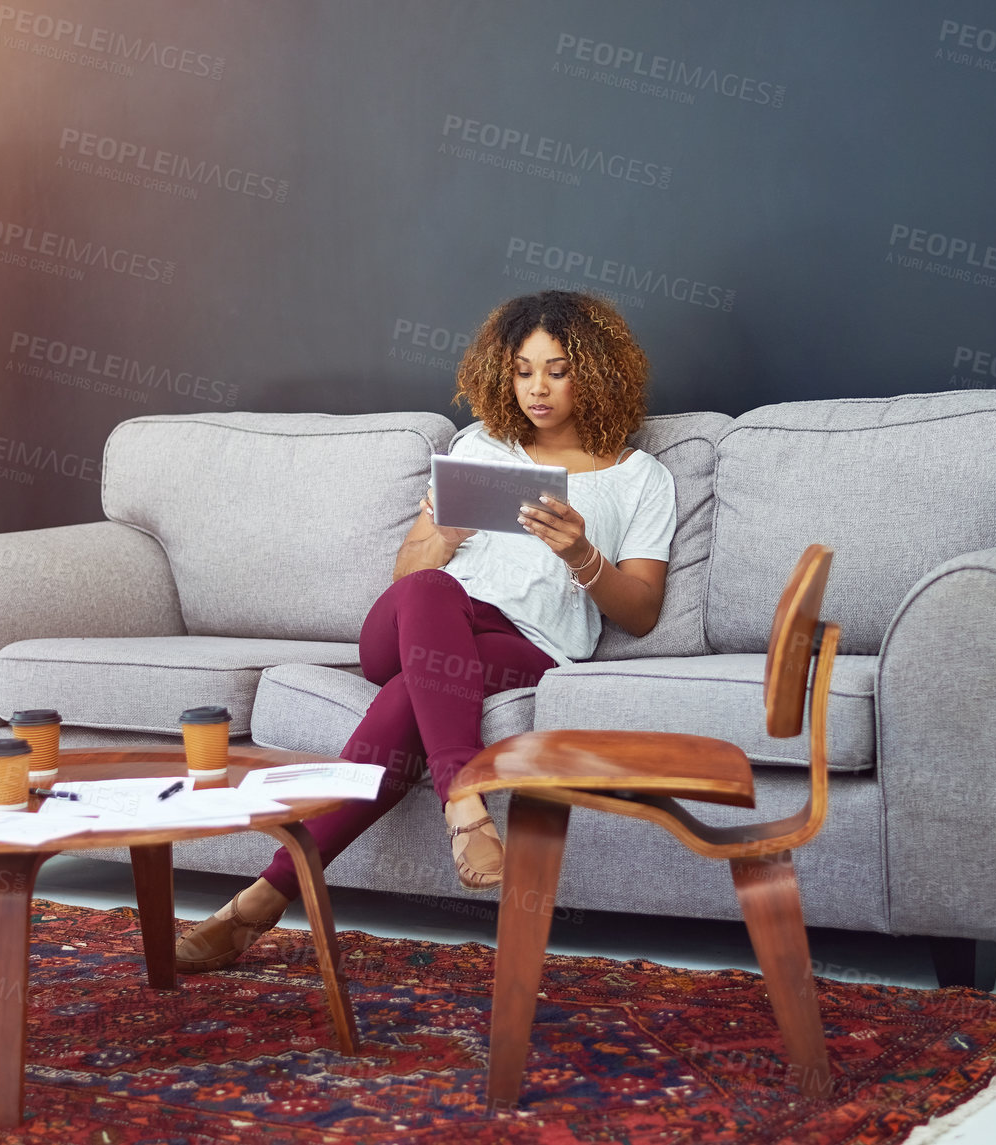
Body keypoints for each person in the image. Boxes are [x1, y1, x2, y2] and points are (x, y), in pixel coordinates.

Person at [172, 290, 678, 971]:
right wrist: (441, 533)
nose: (537, 387)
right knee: (433, 589)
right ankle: (465, 802)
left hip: (523, 648)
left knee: (420, 692)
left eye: (557, 369)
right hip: (414, 621)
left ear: (597, 370)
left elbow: (641, 611)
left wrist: (582, 555)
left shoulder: (639, 477)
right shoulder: (480, 445)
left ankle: (262, 899)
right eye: (524, 369)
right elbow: (406, 578)